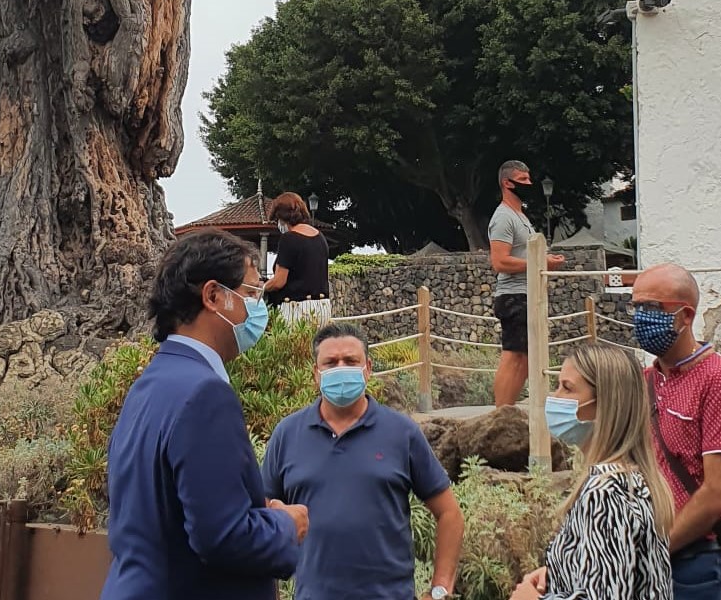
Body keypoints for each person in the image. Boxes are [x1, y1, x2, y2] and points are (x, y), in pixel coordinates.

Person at [103, 229, 308, 600]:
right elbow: (223, 538)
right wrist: (284, 524)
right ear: (214, 296)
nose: (256, 309)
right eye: (250, 294)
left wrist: (251, 510)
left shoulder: (150, 384)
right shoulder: (205, 393)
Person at [262, 322, 464, 600]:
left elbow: (449, 514)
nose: (341, 368)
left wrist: (440, 590)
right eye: (330, 363)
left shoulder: (401, 433)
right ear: (315, 374)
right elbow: (262, 516)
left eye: (351, 361)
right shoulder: (287, 434)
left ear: (368, 368)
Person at [510, 342, 674, 600]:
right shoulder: (634, 479)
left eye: (568, 388)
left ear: (604, 404)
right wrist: (559, 572)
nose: (555, 397)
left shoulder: (605, 491)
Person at [632, 263, 721, 600]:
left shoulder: (720, 381)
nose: (640, 317)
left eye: (651, 308)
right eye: (636, 306)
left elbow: (718, 492)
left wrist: (657, 547)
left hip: (699, 561)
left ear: (685, 317)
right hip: (650, 554)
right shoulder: (645, 382)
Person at [490, 159, 565, 407]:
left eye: (529, 179)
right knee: (513, 356)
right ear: (506, 183)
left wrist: (543, 260)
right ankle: (500, 416)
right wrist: (539, 262)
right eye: (522, 180)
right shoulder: (503, 217)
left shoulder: (520, 215)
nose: (529, 184)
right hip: (513, 296)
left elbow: (525, 255)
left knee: (524, 357)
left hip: (526, 294)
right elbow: (500, 262)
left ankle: (509, 411)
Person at [264, 191, 330, 323]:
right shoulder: (320, 237)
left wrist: (262, 288)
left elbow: (279, 281)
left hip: (297, 308)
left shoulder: (289, 239)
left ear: (281, 217)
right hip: (323, 307)